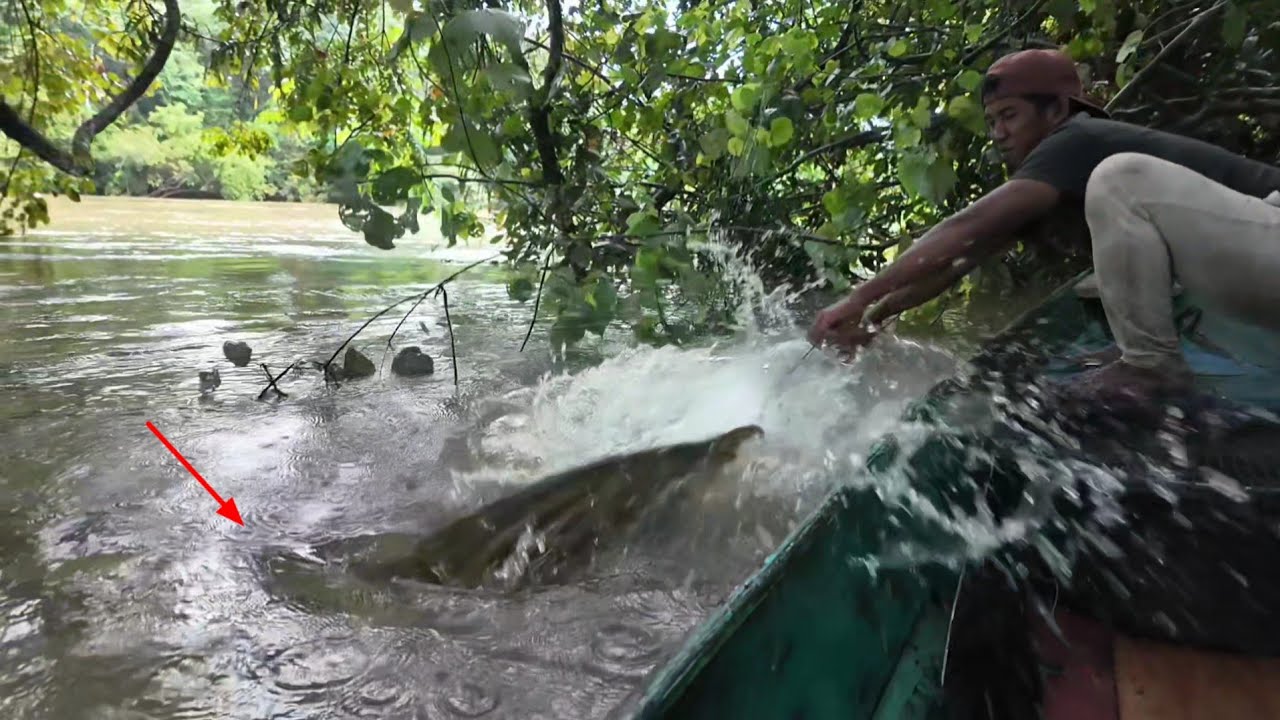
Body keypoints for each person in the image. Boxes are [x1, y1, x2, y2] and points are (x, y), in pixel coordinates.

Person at [808, 47, 1280, 407]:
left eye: (1009, 116)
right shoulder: (1061, 174)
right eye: (992, 121)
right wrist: (872, 318)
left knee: (1121, 179)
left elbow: (971, 223)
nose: (998, 133)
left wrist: (858, 296)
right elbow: (961, 256)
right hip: (1258, 266)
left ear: (1056, 110)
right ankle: (1145, 361)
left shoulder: (1078, 137)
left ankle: (1151, 367)